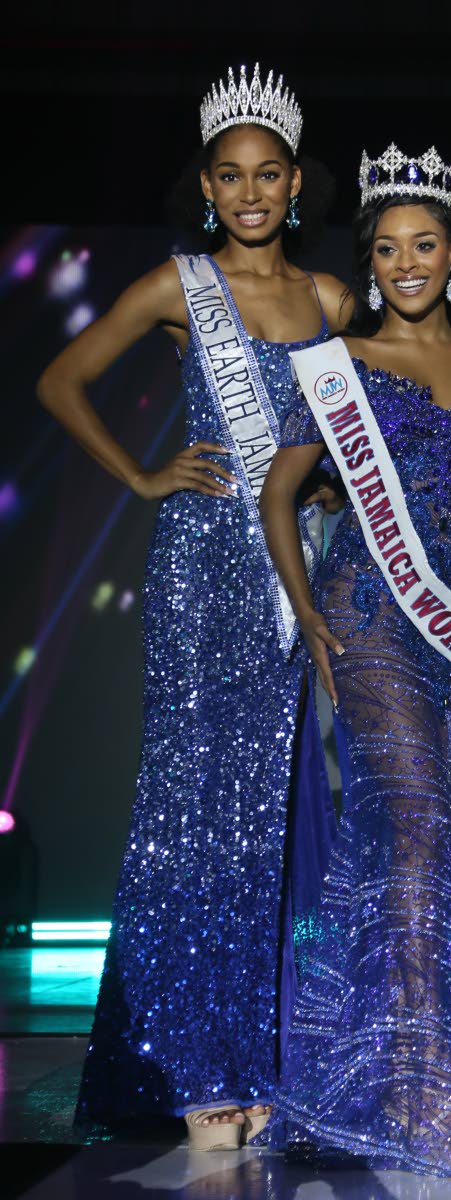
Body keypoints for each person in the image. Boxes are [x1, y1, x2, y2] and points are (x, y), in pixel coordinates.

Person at [37, 63, 350, 1149]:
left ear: (295, 183)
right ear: (206, 187)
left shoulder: (334, 301)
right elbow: (60, 379)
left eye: (268, 173)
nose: (250, 192)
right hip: (199, 572)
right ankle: (188, 1062)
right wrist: (141, 475)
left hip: (287, 575)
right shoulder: (179, 285)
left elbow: (364, 431)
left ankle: (255, 1053)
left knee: (267, 817)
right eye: (230, 175)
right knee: (188, 814)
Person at [257, 144, 451, 1176]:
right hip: (372, 613)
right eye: (387, 248)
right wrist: (309, 611)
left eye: (424, 244)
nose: (406, 263)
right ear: (371, 261)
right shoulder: (337, 364)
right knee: (416, 827)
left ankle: (415, 1073)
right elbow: (279, 496)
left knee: (448, 839)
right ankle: (419, 1085)